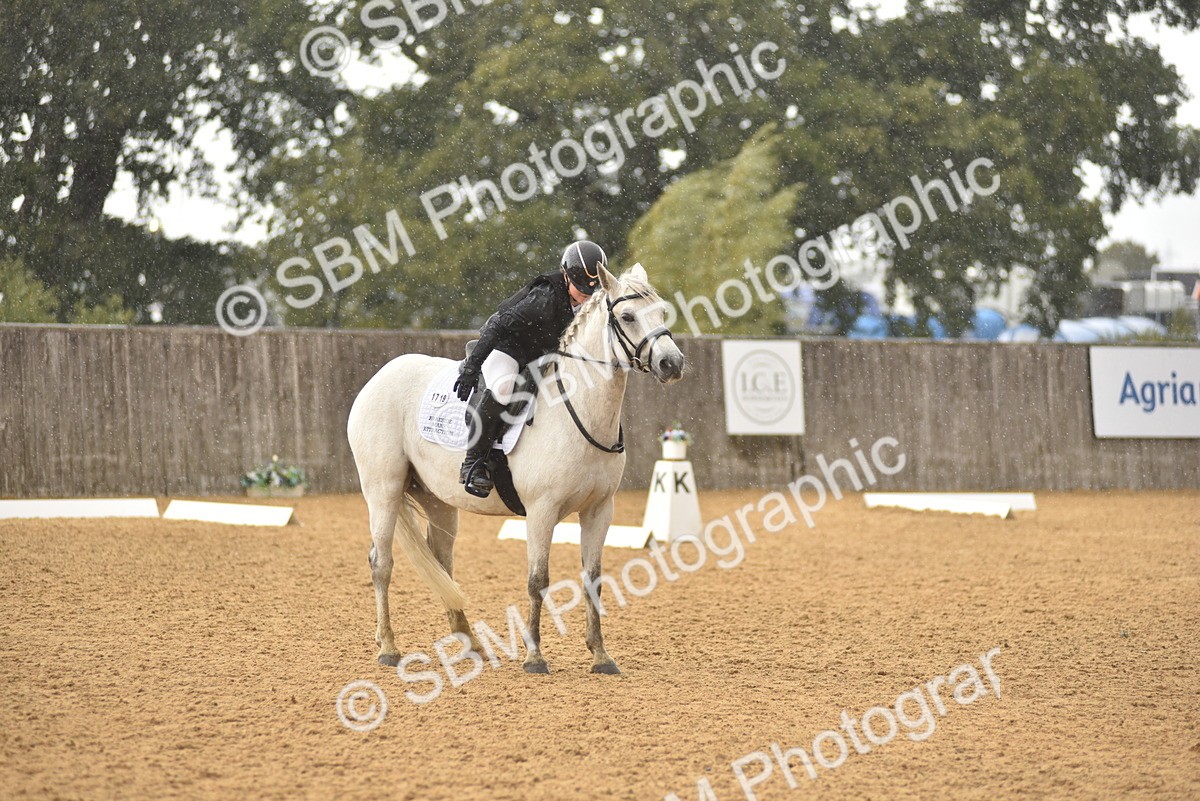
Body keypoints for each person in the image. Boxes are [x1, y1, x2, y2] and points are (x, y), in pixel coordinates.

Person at [453, 240, 608, 497]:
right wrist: (472, 367)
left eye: (591, 293)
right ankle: (473, 461)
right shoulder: (544, 299)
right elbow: (498, 326)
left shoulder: (591, 299)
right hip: (508, 347)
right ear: (566, 275)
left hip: (542, 354)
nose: (587, 297)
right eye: (581, 290)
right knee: (503, 389)